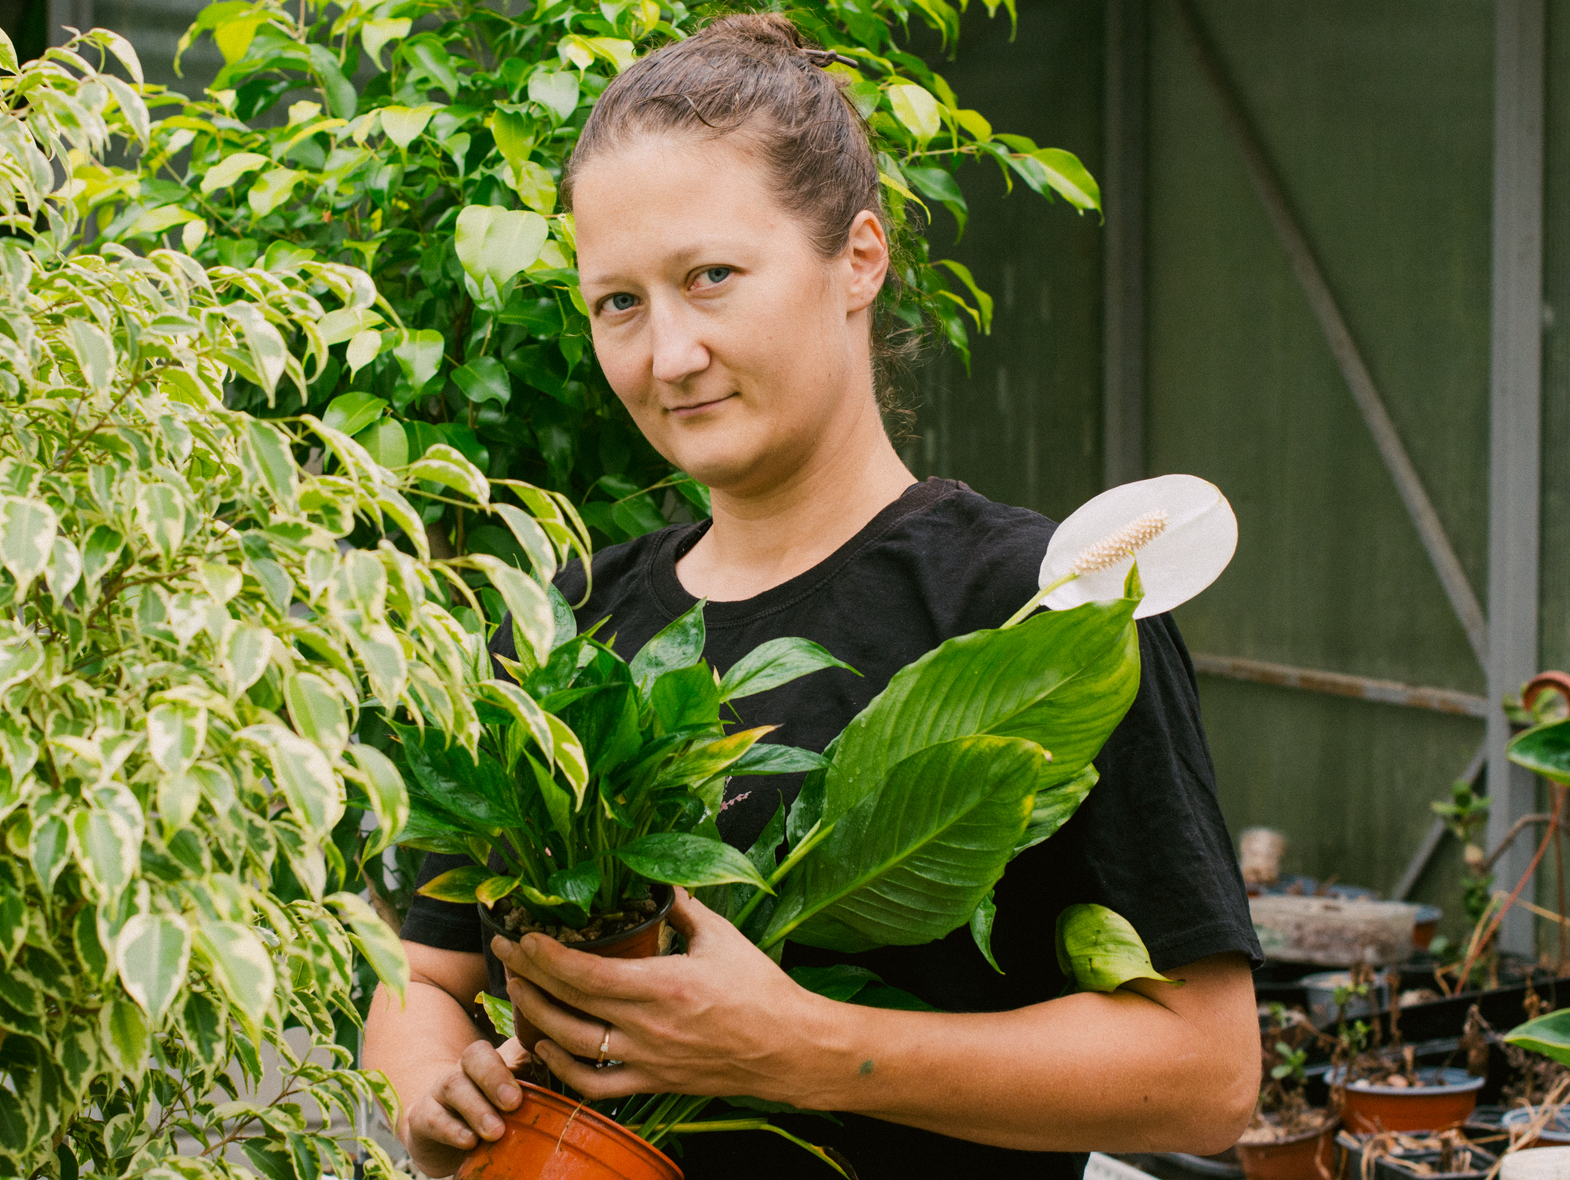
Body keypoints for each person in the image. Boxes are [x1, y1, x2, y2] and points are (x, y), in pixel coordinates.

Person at [360, 16, 1262, 1179]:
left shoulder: (1044, 608)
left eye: (711, 277)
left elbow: (1205, 1074)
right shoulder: (556, 628)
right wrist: (435, 1097)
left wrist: (799, 1047)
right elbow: (426, 977)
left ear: (859, 257)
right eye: (617, 303)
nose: (667, 352)